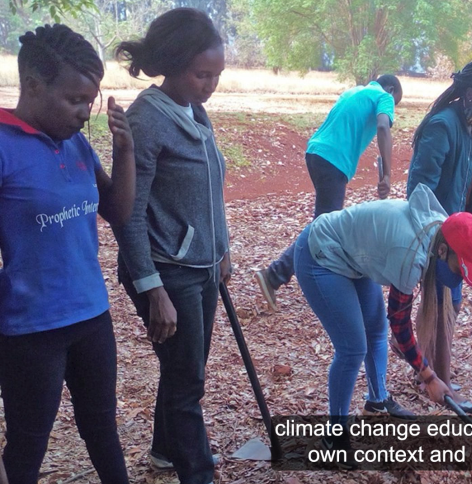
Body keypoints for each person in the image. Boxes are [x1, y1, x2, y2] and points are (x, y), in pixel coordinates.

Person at [0, 24, 134, 484]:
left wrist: (124, 150)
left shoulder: (75, 142)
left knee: (102, 429)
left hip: (91, 315)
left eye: (89, 101)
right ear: (33, 86)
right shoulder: (3, 145)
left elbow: (117, 211)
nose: (84, 113)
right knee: (28, 442)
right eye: (75, 100)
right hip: (31, 328)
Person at [293, 184, 472, 468]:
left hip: (355, 255)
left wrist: (423, 367)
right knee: (352, 348)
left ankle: (377, 401)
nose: (460, 276)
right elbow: (400, 323)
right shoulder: (411, 254)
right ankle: (333, 439)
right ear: (443, 251)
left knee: (375, 331)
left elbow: (395, 327)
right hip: (320, 255)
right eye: (460, 268)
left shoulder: (441, 232)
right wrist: (429, 377)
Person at [112, 9, 229, 483]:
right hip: (166, 270)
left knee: (185, 368)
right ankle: (197, 473)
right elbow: (128, 212)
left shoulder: (194, 110)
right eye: (202, 75)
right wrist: (151, 287)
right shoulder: (146, 121)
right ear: (173, 65)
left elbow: (210, 186)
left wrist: (222, 248)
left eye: (217, 75)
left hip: (201, 265)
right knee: (187, 383)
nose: (210, 85)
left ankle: (165, 450)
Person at [404, 58, 472, 394]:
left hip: (462, 234)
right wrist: (439, 238)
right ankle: (432, 378)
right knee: (441, 303)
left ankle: (427, 368)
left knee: (451, 301)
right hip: (438, 235)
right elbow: (419, 192)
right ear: (471, 94)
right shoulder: (441, 127)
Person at [255, 75, 404, 308]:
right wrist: (387, 175)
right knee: (323, 227)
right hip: (334, 160)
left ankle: (311, 272)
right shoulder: (384, 96)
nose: (393, 108)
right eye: (396, 103)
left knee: (325, 223)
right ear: (391, 89)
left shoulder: (355, 91)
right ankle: (275, 275)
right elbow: (383, 127)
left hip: (316, 153)